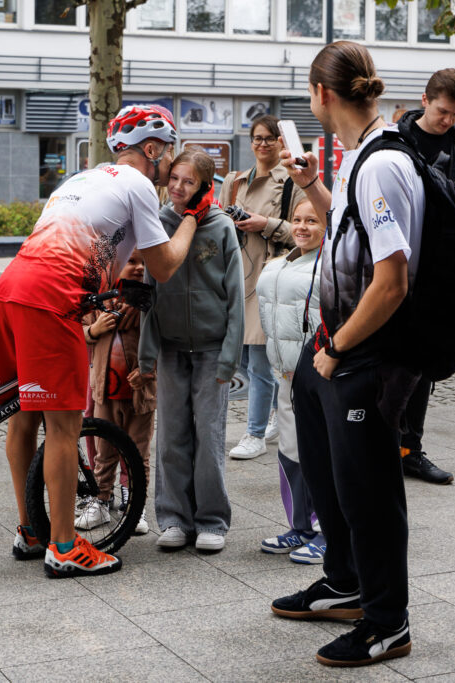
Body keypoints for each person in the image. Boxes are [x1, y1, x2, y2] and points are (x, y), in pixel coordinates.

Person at [0, 104, 215, 578]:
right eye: (167, 153)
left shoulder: (79, 180)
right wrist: (192, 216)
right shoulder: (137, 184)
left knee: (23, 418)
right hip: (51, 300)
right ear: (150, 149)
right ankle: (64, 547)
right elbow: (164, 266)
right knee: (65, 427)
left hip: (11, 289)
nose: (169, 164)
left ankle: (31, 531)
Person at [272, 41, 423, 667]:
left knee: (368, 491)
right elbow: (350, 231)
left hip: (365, 351)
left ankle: (387, 621)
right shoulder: (356, 155)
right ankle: (344, 582)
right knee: (328, 471)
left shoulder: (382, 163)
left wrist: (337, 348)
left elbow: (393, 281)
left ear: (322, 94)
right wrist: (311, 185)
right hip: (334, 340)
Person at [137, 148, 244, 553]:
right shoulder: (158, 223)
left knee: (209, 435)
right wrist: (146, 355)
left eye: (190, 182)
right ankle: (174, 518)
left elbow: (235, 296)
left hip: (212, 350)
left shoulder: (221, 227)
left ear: (204, 186)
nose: (179, 187)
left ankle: (212, 520)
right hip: (170, 350)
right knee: (171, 436)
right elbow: (149, 292)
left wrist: (230, 356)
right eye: (175, 179)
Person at [394, 67, 455, 486]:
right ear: (425, 100)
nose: (448, 121)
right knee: (391, 359)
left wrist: (442, 189)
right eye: (442, 112)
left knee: (423, 362)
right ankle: (381, 446)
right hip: (400, 264)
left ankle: (410, 450)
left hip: (444, 270)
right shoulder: (398, 141)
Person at [221, 115, 305, 460]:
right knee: (240, 357)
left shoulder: (293, 182)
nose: (263, 144)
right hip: (234, 277)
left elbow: (304, 230)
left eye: (270, 138)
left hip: (269, 278)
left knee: (257, 360)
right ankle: (273, 413)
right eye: (257, 137)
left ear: (281, 142)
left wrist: (265, 223)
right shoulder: (235, 180)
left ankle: (254, 433)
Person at [255, 198, 325, 564]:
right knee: (291, 451)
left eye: (312, 220)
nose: (302, 227)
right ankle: (300, 526)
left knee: (323, 455)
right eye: (297, 219)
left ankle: (329, 531)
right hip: (287, 374)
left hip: (321, 377)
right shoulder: (279, 264)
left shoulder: (331, 266)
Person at [76, 250, 156, 536]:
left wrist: (149, 370)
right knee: (104, 452)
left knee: (138, 453)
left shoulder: (149, 303)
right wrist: (94, 330)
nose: (139, 268)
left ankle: (135, 503)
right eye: (131, 261)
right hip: (105, 393)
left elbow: (161, 341)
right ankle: (100, 499)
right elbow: (77, 332)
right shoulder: (98, 303)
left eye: (144, 263)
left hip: (139, 394)